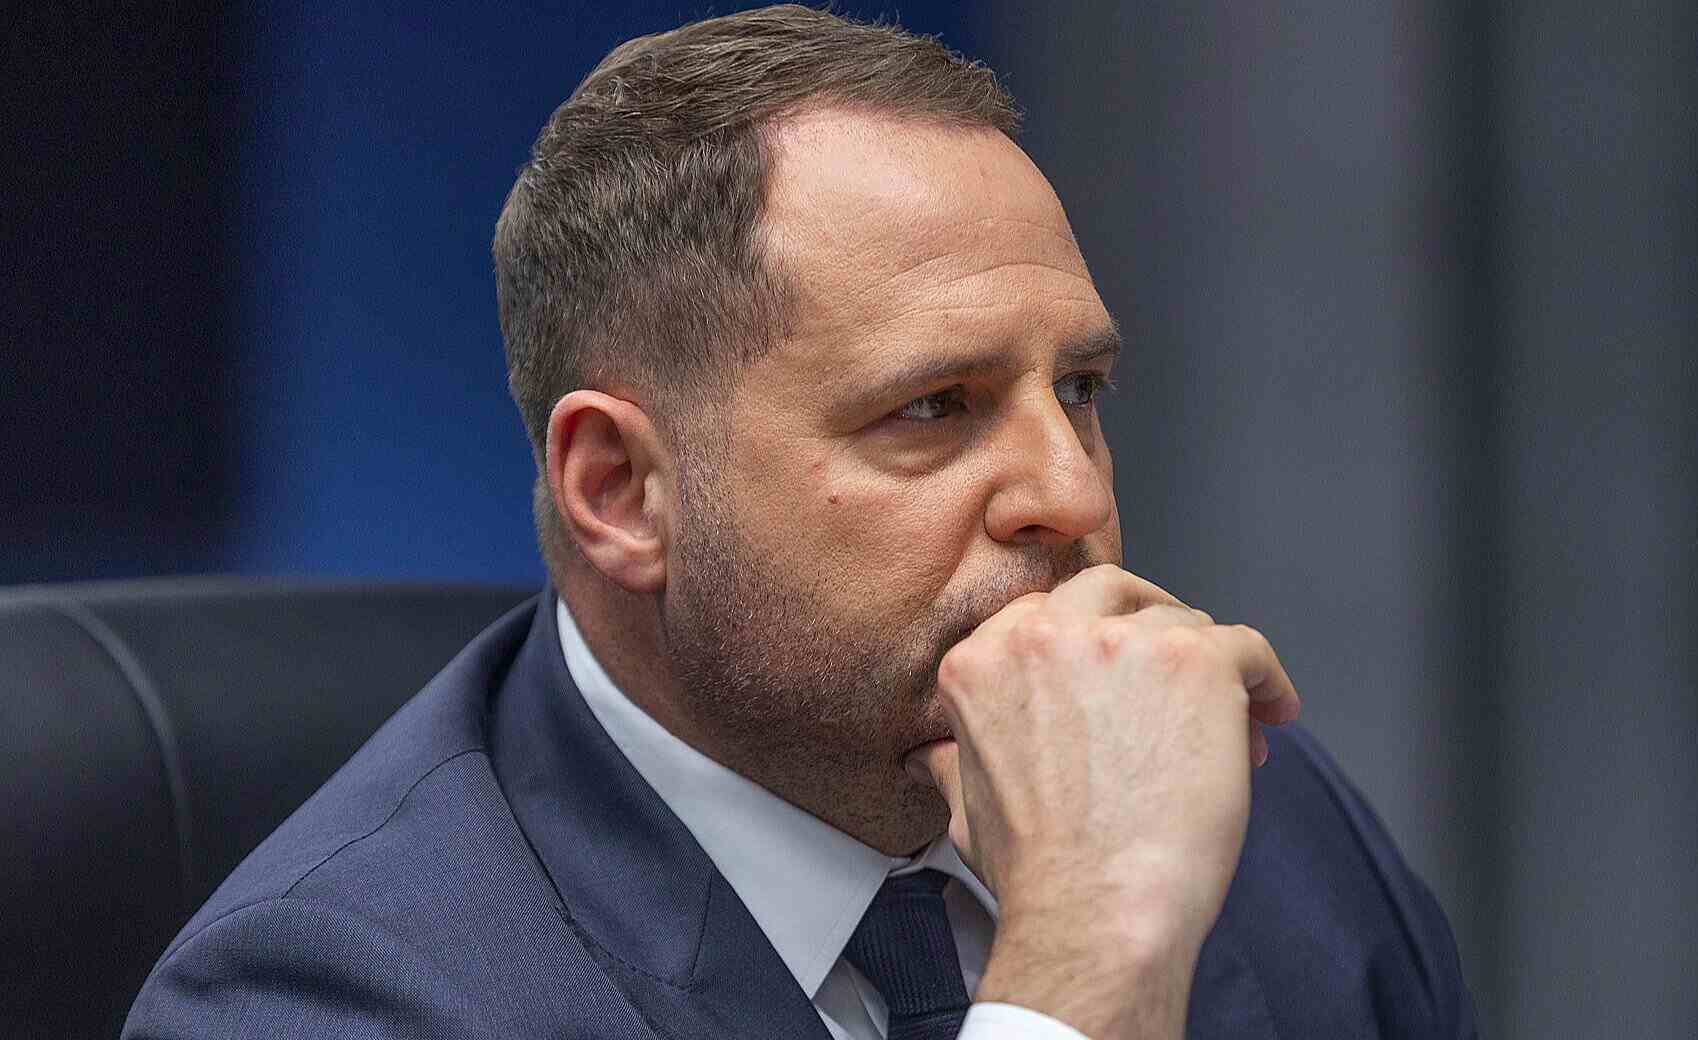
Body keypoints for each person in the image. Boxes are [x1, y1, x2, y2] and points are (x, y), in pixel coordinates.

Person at [124, 7, 1475, 1038]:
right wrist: (1086, 965)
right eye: (934, 408)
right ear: (621, 491)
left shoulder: (1235, 810)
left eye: (1079, 390)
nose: (1071, 494)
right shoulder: (331, 995)